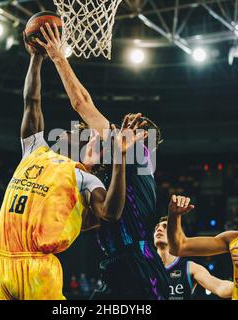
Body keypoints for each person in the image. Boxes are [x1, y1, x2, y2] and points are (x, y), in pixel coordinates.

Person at [0, 36, 146, 300]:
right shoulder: (34, 149)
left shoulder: (84, 177)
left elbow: (110, 213)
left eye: (76, 134)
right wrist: (36, 58)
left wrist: (118, 158)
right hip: (0, 261)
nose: (68, 133)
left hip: (38, 268)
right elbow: (31, 102)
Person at [37, 23, 168, 299]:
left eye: (135, 126)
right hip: (114, 266)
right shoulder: (111, 176)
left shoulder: (139, 156)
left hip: (140, 267)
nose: (123, 125)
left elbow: (82, 104)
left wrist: (58, 58)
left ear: (142, 137)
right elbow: (92, 223)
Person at [154, 216, 232, 299]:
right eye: (156, 228)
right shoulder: (144, 265)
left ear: (176, 235)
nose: (159, 229)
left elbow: (219, 286)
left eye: (165, 227)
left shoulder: (190, 267)